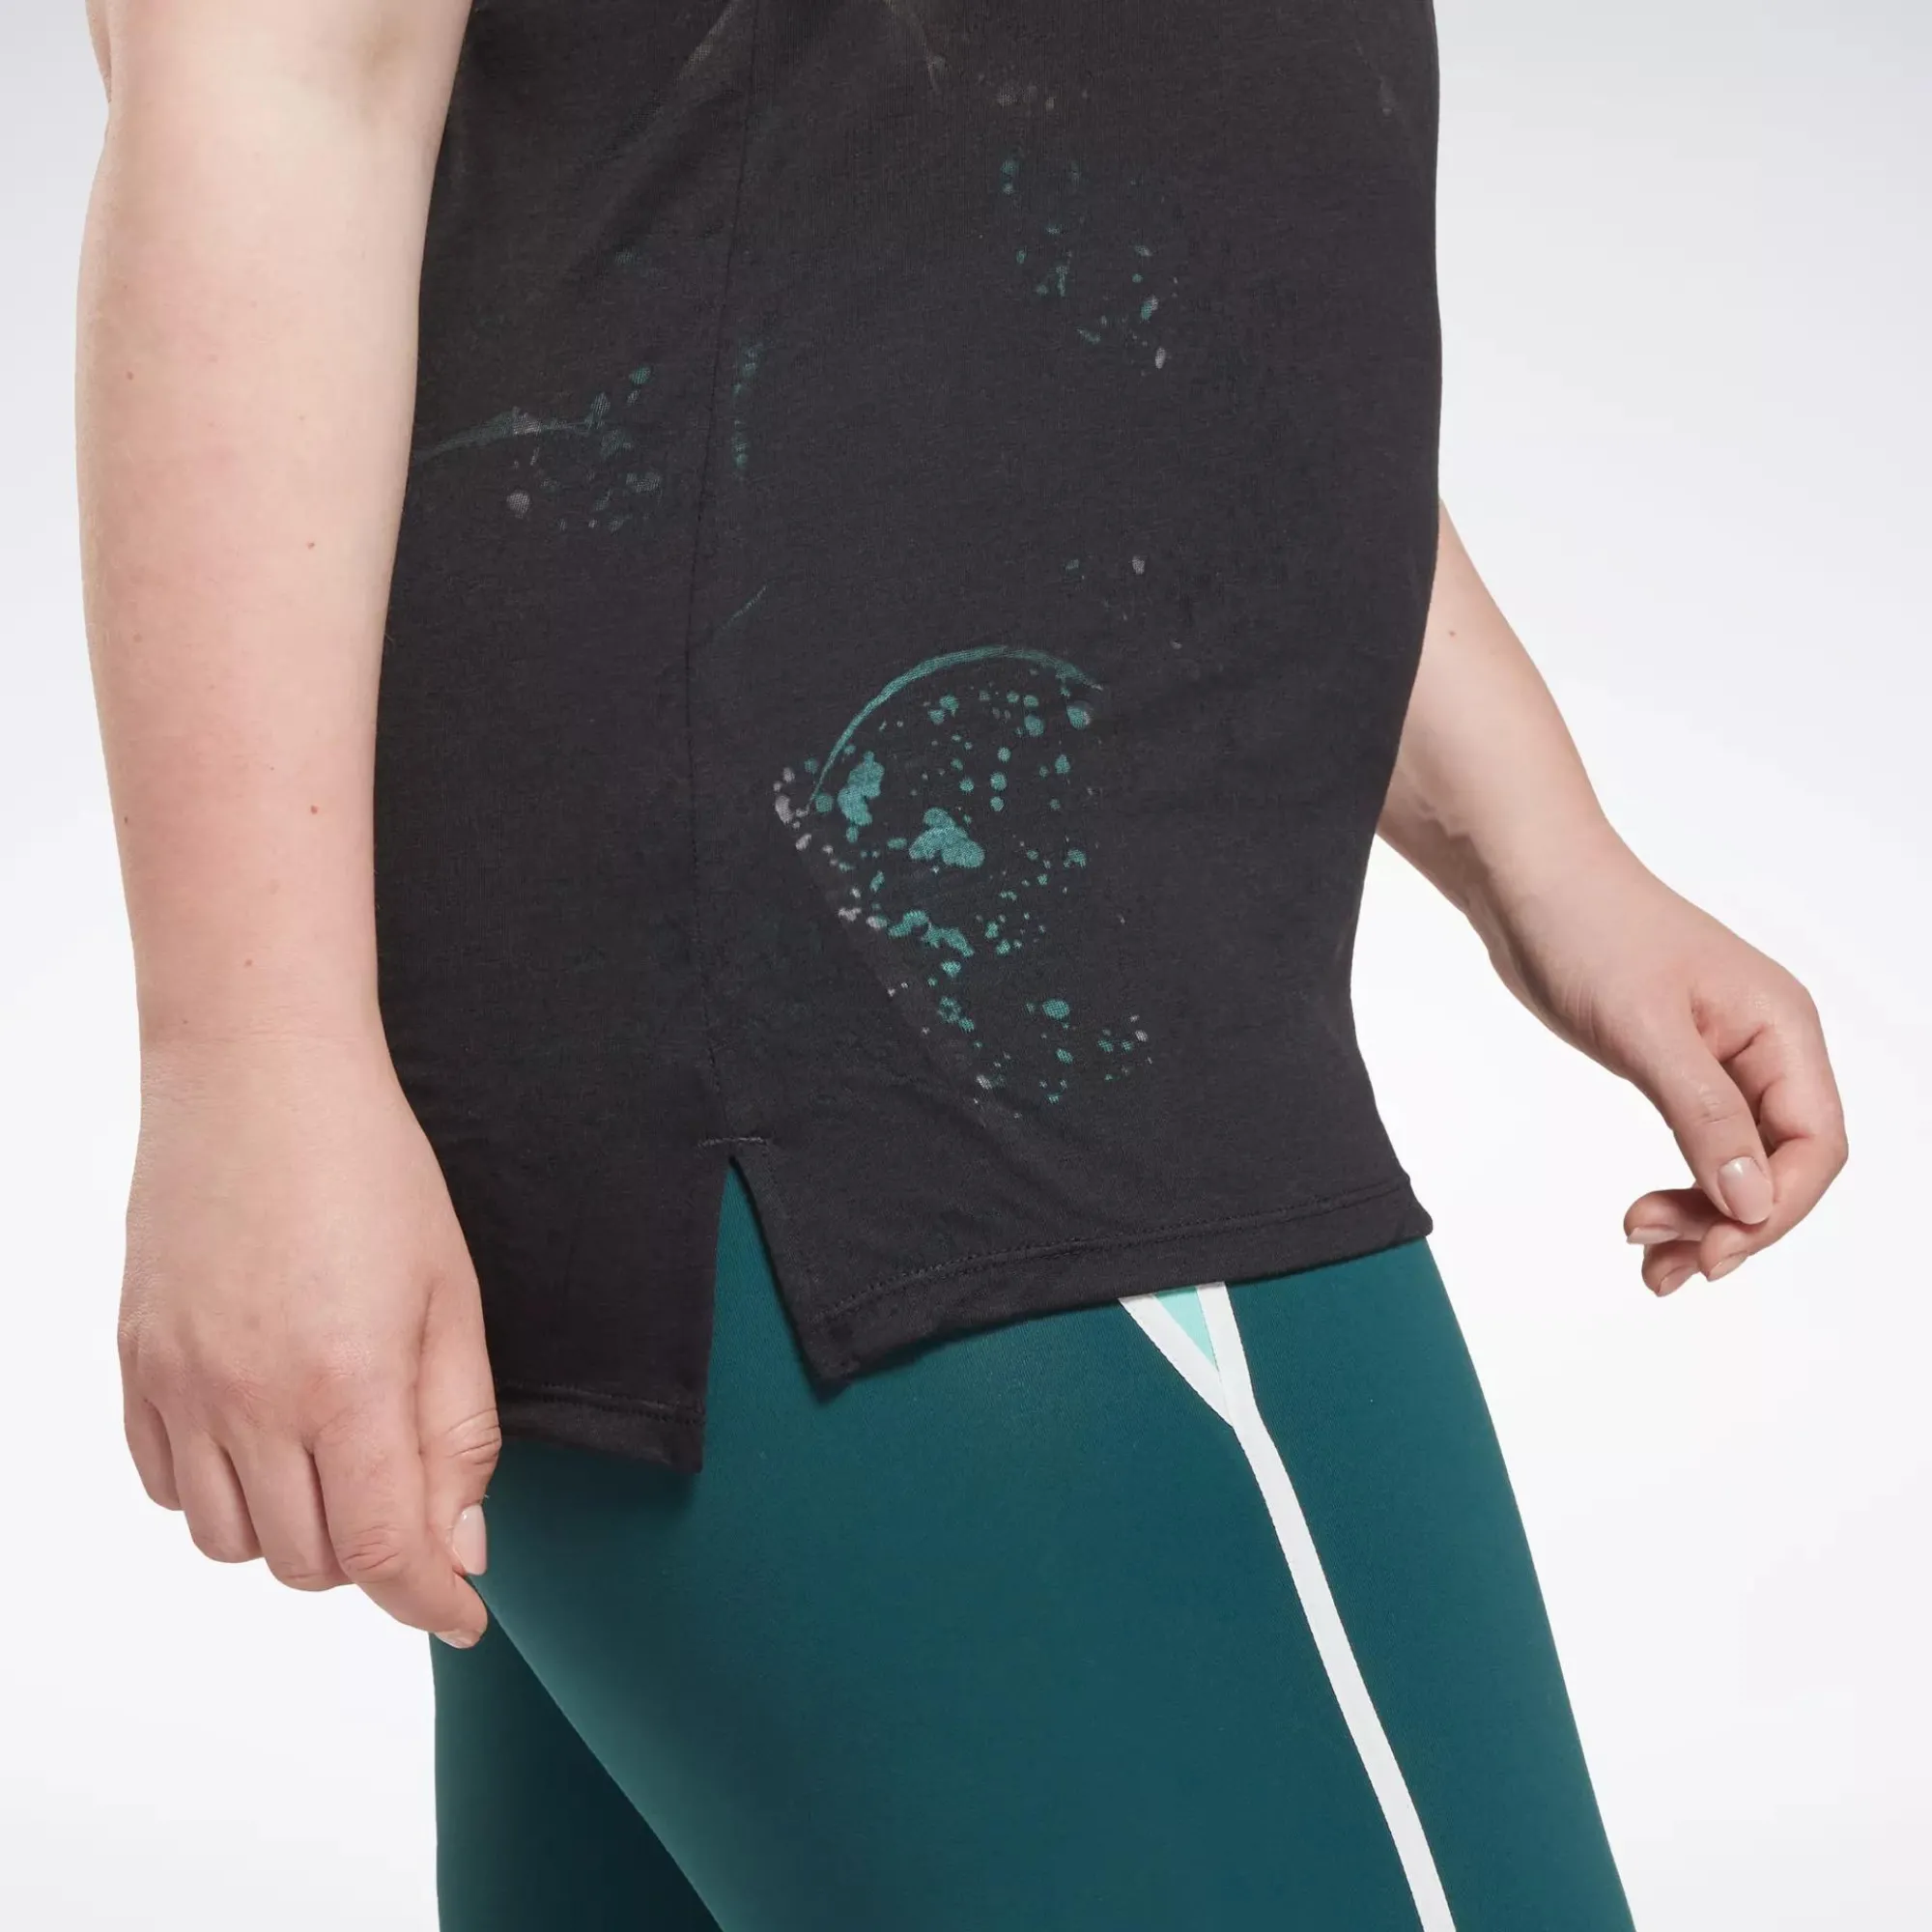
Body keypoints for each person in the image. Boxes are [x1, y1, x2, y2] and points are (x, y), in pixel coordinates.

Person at [74, 2, 1846, 1927]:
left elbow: (1105, 218)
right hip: (888, 1108)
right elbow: (272, 76)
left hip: (875, 1065)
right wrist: (247, 1058)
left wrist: (1546, 853)